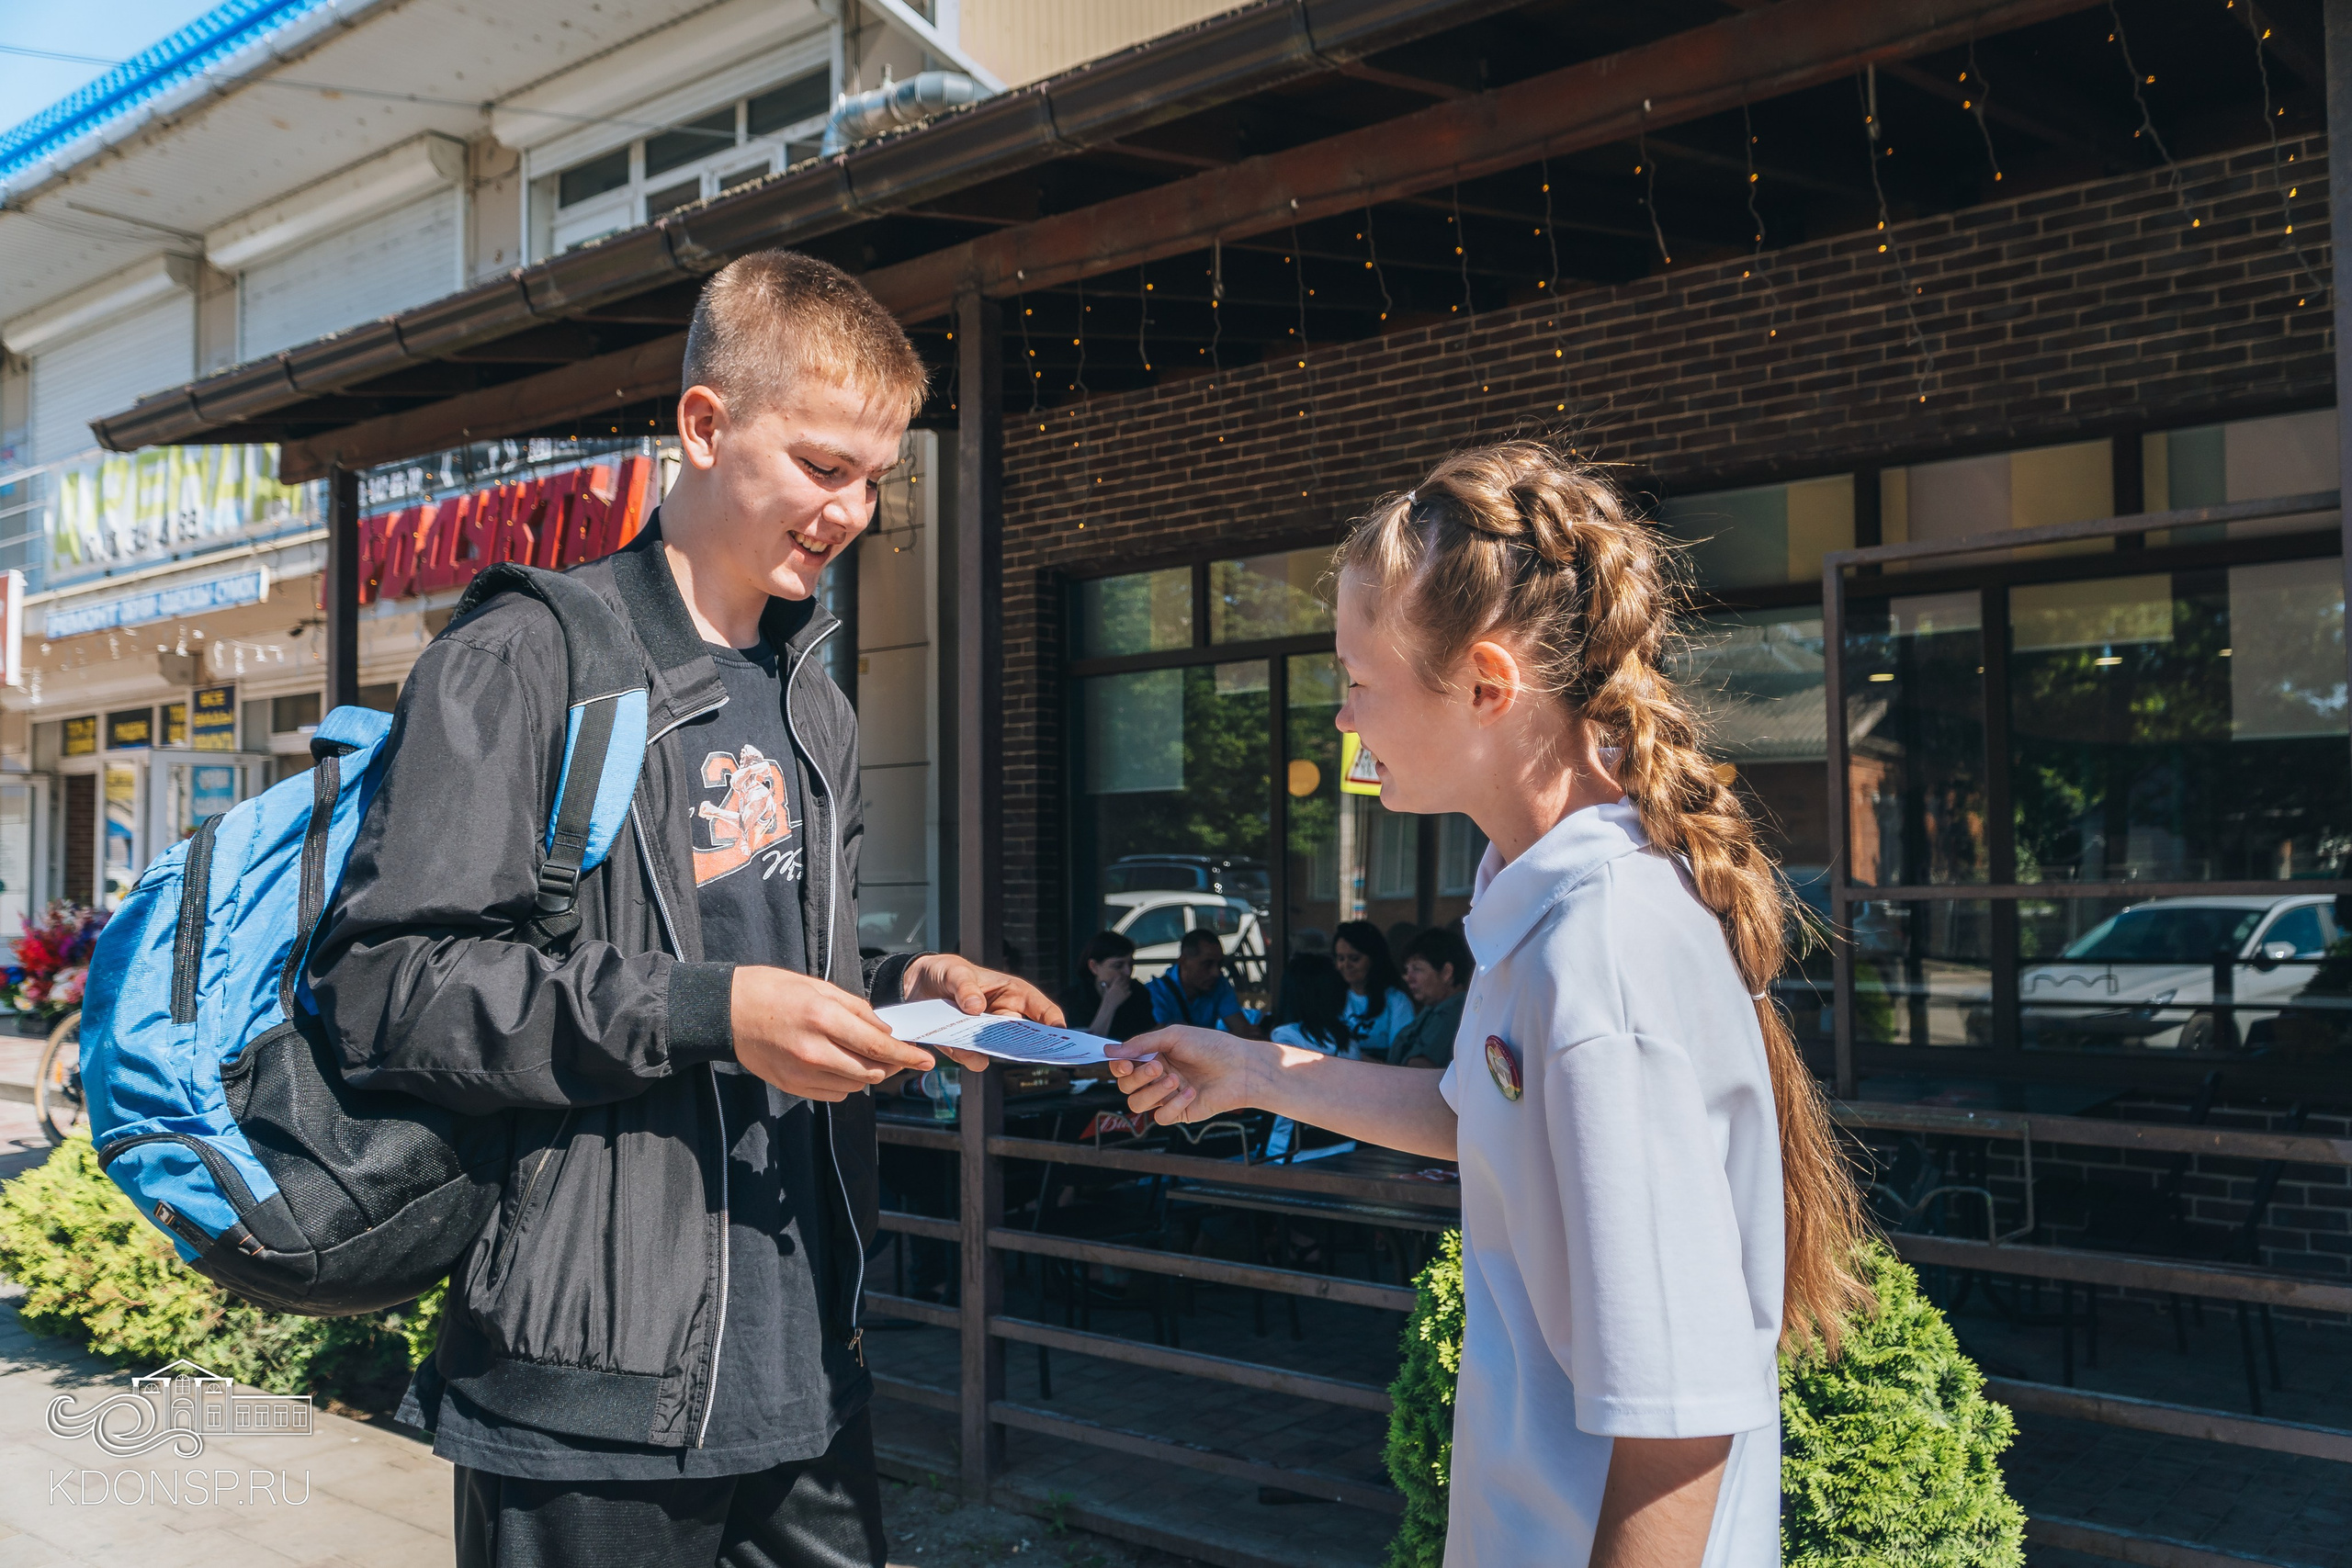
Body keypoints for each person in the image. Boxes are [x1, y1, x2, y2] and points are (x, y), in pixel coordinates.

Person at [310, 250, 1057, 1568]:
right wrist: (713, 1011)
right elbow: (389, 987)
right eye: (823, 466)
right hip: (584, 1388)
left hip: (810, 1364)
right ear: (705, 426)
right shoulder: (523, 656)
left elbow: (765, 953)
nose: (853, 510)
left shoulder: (813, 695)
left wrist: (913, 988)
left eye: (875, 478)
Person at [1107, 442, 1866, 1568]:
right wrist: (1255, 1072)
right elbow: (1486, 1117)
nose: (1343, 720)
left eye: (1358, 682)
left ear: (1484, 687)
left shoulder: (1600, 950)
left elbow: (1681, 1419)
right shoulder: (1543, 901)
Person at [1144, 928, 1268, 1037]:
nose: (1215, 972)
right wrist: (1225, 1038)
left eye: (1219, 965)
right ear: (1183, 961)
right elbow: (1158, 1040)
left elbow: (1244, 1031)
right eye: (1207, 964)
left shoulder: (1219, 984)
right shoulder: (1155, 993)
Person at [1389, 924, 1471, 1068]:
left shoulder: (1453, 1011)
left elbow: (1418, 1068)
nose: (1408, 978)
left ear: (1446, 972)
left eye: (1417, 969)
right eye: (1407, 970)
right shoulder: (1431, 1009)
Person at [1333, 919, 1413, 1061]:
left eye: (1354, 958)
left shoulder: (1396, 1001)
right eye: (1340, 958)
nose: (1346, 965)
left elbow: (1400, 1059)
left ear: (1373, 959)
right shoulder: (1331, 997)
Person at [1058, 930, 1157, 1041]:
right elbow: (1084, 1043)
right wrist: (1109, 1004)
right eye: (1118, 966)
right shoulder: (1072, 999)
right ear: (1094, 967)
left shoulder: (1138, 992)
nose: (1127, 972)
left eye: (1131, 964)